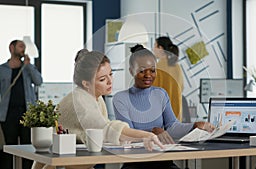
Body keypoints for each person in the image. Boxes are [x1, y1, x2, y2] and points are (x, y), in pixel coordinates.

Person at [32, 49, 164, 169]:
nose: (110, 81)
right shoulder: (81, 101)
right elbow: (106, 129)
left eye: (110, 75)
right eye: (102, 79)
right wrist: (146, 135)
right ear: (86, 83)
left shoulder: (96, 97)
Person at [112, 44, 215, 169]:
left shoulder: (161, 94)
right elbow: (128, 135)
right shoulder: (120, 98)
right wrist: (153, 132)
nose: (148, 75)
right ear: (131, 71)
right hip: (136, 162)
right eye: (142, 70)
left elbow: (172, 126)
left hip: (162, 159)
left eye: (152, 70)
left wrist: (194, 125)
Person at [0, 39, 43, 169]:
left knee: (28, 147)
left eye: (24, 47)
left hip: (27, 113)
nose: (23, 49)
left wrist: (29, 65)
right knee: (8, 147)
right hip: (8, 114)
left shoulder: (27, 68)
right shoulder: (2, 69)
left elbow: (39, 81)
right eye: (20, 46)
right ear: (11, 48)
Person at [152, 36, 184, 121]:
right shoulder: (177, 66)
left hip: (162, 117)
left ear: (161, 48)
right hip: (177, 115)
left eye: (155, 46)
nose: (153, 49)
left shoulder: (158, 67)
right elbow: (182, 87)